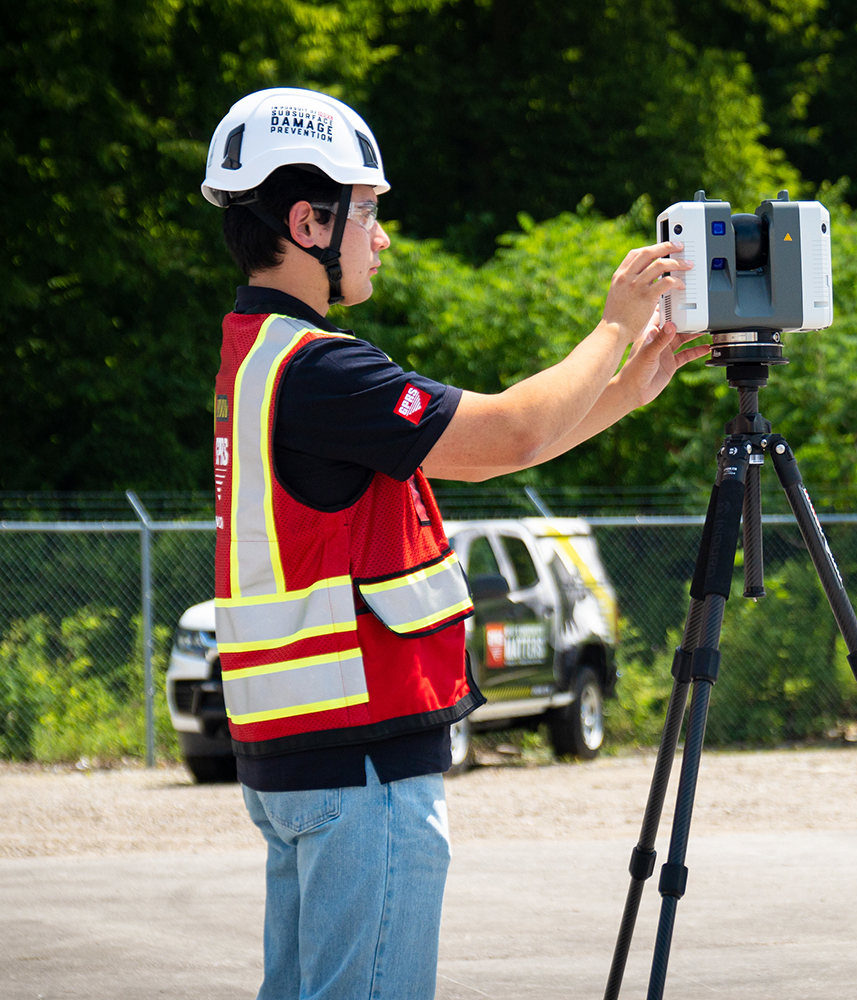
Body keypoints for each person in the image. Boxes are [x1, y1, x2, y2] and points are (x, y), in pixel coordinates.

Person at [201, 87, 709, 1000]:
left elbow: (496, 448)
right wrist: (614, 323)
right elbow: (509, 435)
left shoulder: (257, 356)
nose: (382, 236)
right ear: (310, 222)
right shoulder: (323, 370)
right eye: (369, 213)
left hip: (298, 760)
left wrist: (634, 384)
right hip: (361, 765)